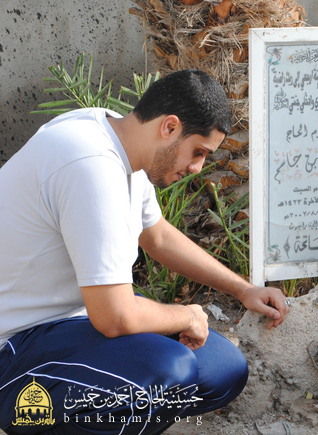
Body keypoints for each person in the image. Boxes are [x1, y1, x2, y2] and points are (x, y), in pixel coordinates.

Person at [0, 69, 290, 434]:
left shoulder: (119, 140)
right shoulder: (89, 163)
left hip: (71, 321)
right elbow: (115, 317)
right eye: (198, 152)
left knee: (219, 368)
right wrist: (185, 316)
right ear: (169, 127)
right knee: (166, 371)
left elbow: (158, 237)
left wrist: (243, 289)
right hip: (14, 347)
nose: (197, 168)